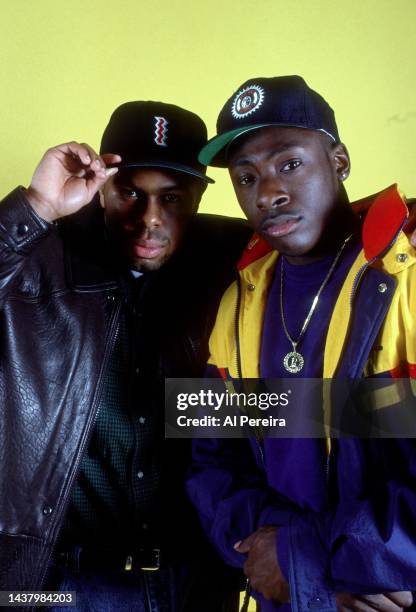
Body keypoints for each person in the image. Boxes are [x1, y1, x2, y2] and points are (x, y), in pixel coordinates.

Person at [0, 101, 250, 611]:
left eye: (173, 198)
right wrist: (37, 207)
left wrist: (388, 225)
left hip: (196, 579)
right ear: (101, 187)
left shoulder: (235, 254)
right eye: (130, 192)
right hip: (58, 584)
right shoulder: (39, 258)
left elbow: (322, 237)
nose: (149, 219)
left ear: (200, 197)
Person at [186, 76, 416, 612]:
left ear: (339, 160)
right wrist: (281, 561)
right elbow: (207, 460)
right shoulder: (237, 300)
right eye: (246, 177)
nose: (268, 193)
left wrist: (307, 556)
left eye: (289, 163)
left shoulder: (404, 277)